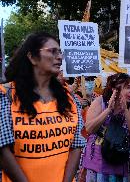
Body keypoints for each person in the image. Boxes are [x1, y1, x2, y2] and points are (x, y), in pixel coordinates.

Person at [0, 32, 85, 182]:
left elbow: (76, 146)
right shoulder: (5, 95)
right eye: (52, 51)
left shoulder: (70, 99)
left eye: (60, 52)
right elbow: (2, 150)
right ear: (32, 57)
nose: (59, 57)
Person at [82, 73, 130, 182]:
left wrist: (126, 111)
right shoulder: (100, 101)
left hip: (119, 161)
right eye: (127, 88)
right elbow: (89, 128)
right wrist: (108, 110)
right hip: (97, 161)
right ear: (115, 89)